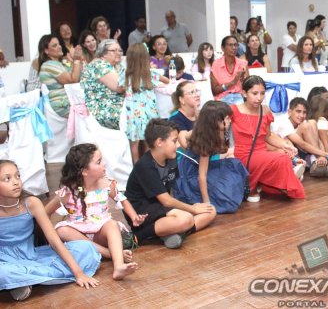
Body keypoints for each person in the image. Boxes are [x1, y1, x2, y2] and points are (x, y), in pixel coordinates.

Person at [0, 160, 100, 301]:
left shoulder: (32, 203)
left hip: (33, 255)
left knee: (86, 248)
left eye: (18, 176)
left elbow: (54, 240)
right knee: (3, 272)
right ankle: (20, 281)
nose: (16, 182)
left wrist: (79, 274)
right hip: (5, 261)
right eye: (7, 179)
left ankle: (22, 281)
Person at [44, 144, 140, 280]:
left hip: (100, 234)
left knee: (111, 225)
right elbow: (45, 213)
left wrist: (134, 216)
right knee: (62, 230)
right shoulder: (69, 192)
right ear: (84, 171)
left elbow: (122, 199)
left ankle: (118, 266)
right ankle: (110, 253)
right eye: (99, 162)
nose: (104, 164)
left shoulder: (107, 184)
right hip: (78, 236)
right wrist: (45, 236)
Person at [124, 119, 216, 249]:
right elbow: (166, 201)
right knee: (186, 218)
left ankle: (174, 233)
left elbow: (169, 193)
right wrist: (192, 209)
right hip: (141, 213)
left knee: (211, 211)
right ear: (159, 142)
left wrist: (185, 209)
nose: (178, 145)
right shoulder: (145, 165)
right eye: (174, 141)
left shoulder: (171, 160)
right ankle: (139, 236)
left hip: (160, 207)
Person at [230, 76, 305, 202]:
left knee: (284, 155)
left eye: (262, 93)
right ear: (244, 93)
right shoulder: (234, 110)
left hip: (261, 152)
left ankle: (269, 184)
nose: (259, 98)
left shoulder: (265, 110)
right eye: (254, 93)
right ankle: (285, 181)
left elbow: (268, 136)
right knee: (282, 159)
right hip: (244, 154)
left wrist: (284, 145)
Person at [178, 101, 248, 213]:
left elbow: (184, 136)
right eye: (227, 118)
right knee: (227, 180)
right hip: (192, 173)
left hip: (202, 167)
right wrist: (207, 203)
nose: (230, 121)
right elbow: (202, 175)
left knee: (234, 163)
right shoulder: (205, 140)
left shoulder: (216, 131)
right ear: (216, 121)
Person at [271, 97, 328, 177]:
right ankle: (317, 160)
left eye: (304, 112)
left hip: (308, 154)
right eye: (298, 111)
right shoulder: (284, 125)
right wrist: (326, 155)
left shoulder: (305, 123)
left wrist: (327, 156)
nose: (301, 115)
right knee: (306, 125)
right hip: (294, 156)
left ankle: (319, 162)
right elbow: (302, 144)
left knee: (313, 122)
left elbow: (318, 141)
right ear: (289, 112)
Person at [124, 43, 166, 163]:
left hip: (132, 113)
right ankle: (149, 166)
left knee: (134, 144)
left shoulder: (125, 75)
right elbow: (167, 80)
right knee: (149, 142)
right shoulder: (150, 74)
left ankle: (136, 167)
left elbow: (119, 88)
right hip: (149, 112)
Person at [80, 39, 125, 129]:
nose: (118, 53)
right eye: (114, 50)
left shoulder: (117, 65)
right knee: (136, 112)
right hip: (102, 108)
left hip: (116, 102)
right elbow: (121, 87)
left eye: (119, 50)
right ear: (103, 53)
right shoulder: (99, 65)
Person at [37, 34, 84, 117]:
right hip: (62, 104)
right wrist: (76, 59)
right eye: (55, 45)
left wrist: (77, 59)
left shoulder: (61, 63)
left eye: (59, 44)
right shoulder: (49, 65)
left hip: (71, 101)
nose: (59, 47)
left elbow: (80, 75)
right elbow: (73, 80)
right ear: (46, 51)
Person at [210, 36, 248, 105]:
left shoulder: (243, 63)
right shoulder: (216, 64)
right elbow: (214, 91)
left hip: (239, 97)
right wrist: (232, 82)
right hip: (222, 98)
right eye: (230, 45)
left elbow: (248, 87)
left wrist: (243, 80)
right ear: (223, 48)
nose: (234, 48)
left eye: (236, 45)